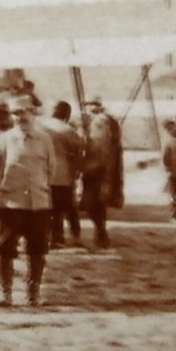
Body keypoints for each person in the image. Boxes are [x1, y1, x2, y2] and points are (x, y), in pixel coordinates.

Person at [0, 100, 56, 307]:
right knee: (6, 249)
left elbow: (51, 168)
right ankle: (5, 293)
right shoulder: (4, 139)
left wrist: (41, 187)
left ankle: (33, 293)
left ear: (33, 113)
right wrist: (0, 189)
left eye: (24, 112)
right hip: (11, 204)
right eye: (16, 113)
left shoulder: (44, 139)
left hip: (39, 204)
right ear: (11, 116)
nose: (21, 117)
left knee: (37, 249)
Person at [79, 96, 122, 249]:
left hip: (97, 168)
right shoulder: (109, 120)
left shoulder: (99, 121)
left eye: (91, 105)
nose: (88, 108)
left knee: (92, 203)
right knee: (98, 203)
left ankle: (101, 235)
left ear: (97, 106)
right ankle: (101, 234)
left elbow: (100, 146)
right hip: (104, 168)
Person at [41, 101, 85, 246]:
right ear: (67, 115)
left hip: (43, 174)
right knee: (68, 207)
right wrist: (77, 171)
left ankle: (54, 237)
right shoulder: (67, 130)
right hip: (62, 175)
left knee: (49, 208)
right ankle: (75, 235)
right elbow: (79, 150)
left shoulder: (40, 126)